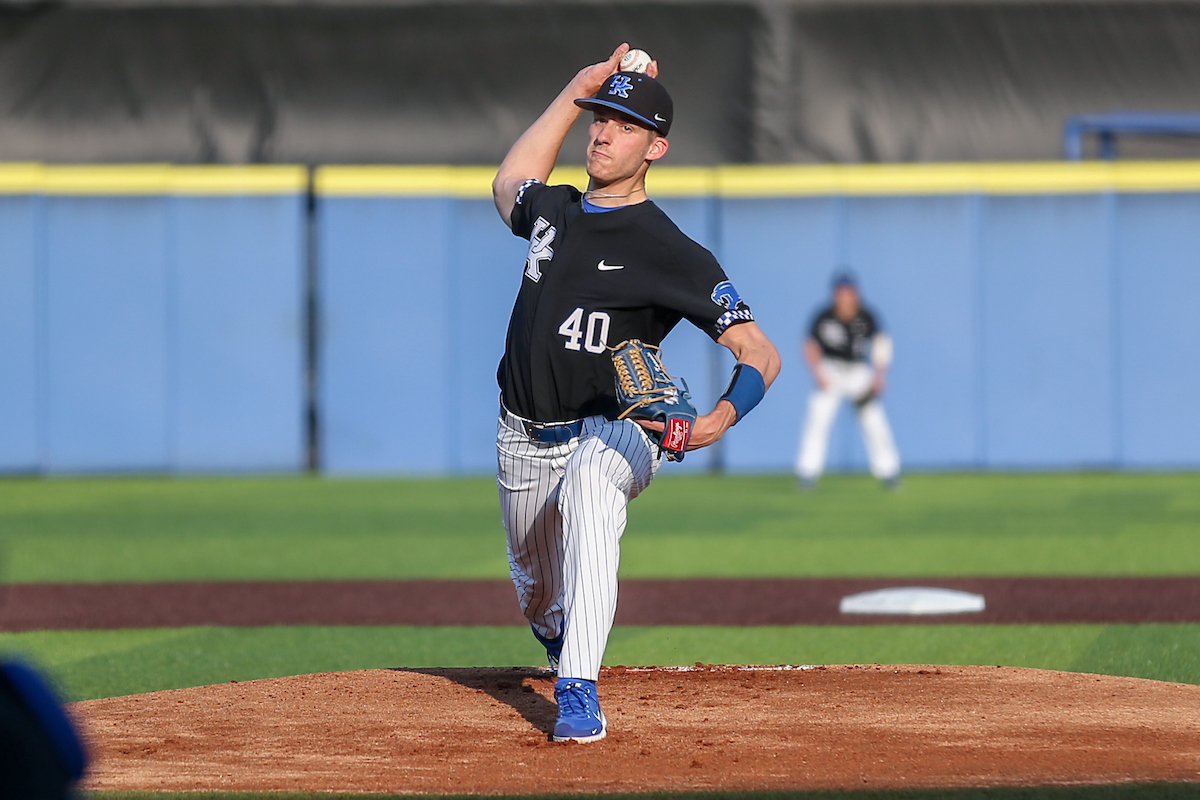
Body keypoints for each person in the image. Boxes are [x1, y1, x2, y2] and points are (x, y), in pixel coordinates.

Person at [491, 44, 781, 743]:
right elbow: (507, 184)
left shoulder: (670, 250)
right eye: (600, 120)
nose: (602, 132)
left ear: (655, 146)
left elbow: (759, 352)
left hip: (617, 425)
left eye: (621, 124)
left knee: (593, 482)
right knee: (538, 597)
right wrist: (576, 88)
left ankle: (579, 690)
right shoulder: (554, 211)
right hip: (524, 435)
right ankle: (560, 636)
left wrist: (716, 419)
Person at [795, 272, 900, 489]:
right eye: (841, 293)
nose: (845, 297)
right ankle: (808, 473)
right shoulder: (824, 316)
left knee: (874, 420)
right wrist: (817, 373)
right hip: (831, 369)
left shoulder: (867, 316)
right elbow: (810, 346)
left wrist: (880, 377)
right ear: (835, 295)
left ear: (856, 293)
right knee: (818, 420)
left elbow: (881, 344)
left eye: (849, 293)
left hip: (858, 372)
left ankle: (889, 472)